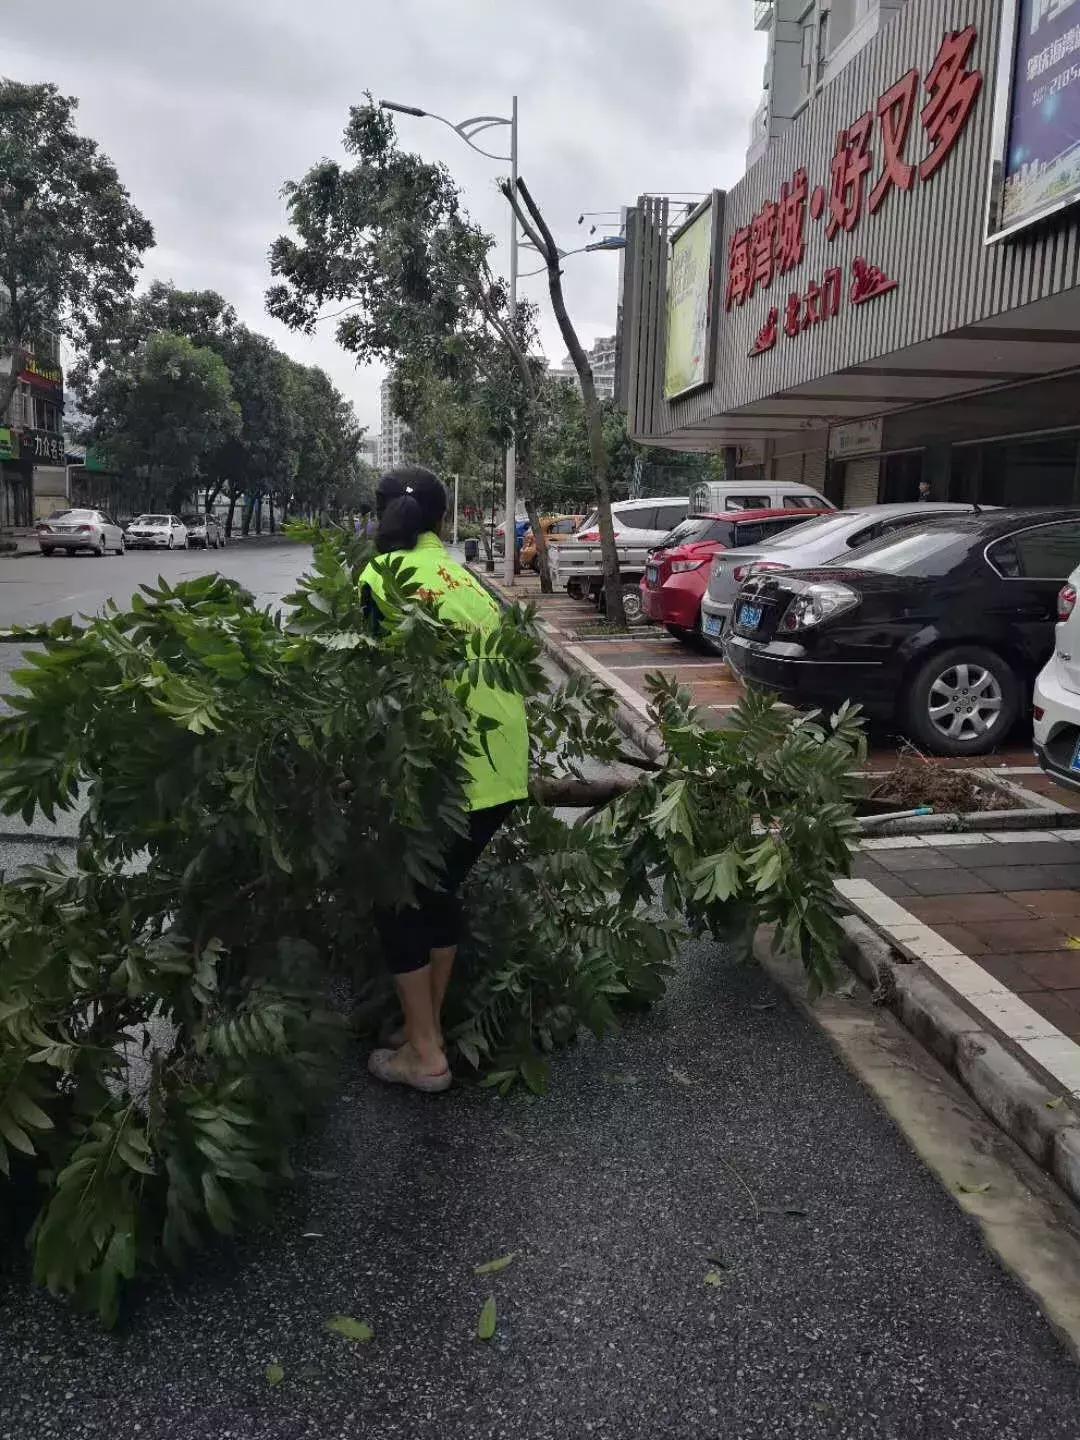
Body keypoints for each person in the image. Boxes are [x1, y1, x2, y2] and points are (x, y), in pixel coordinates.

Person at [359, 467, 529, 1093]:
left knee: (398, 896)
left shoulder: (379, 575)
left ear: (380, 515)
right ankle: (420, 1028)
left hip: (443, 769)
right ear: (441, 520)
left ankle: (425, 1055)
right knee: (437, 891)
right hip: (503, 763)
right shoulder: (468, 578)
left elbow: (373, 680)